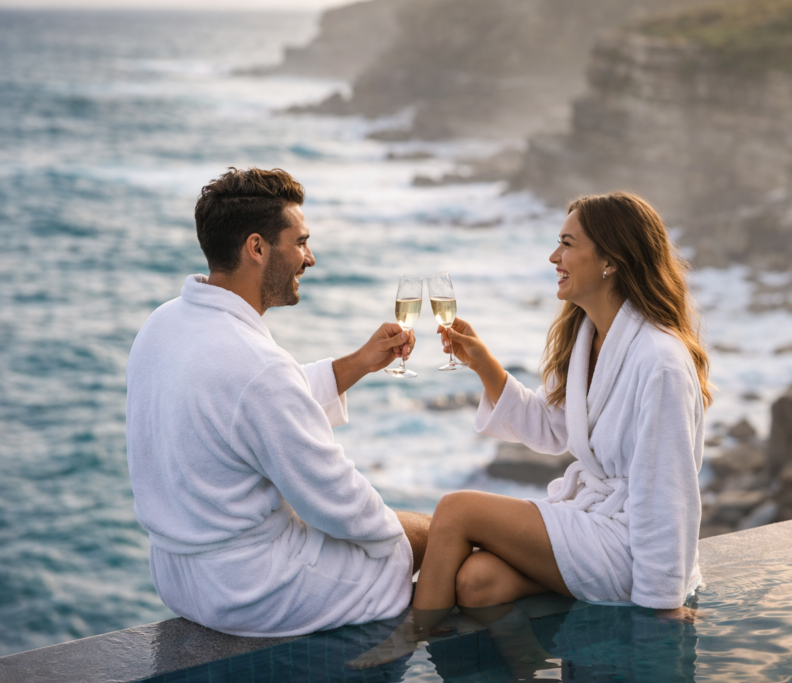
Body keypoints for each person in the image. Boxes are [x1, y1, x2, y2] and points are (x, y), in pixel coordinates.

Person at [349, 191, 710, 669]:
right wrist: (485, 366)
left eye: (566, 244)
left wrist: (660, 607)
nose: (553, 257)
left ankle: (411, 643)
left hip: (631, 548)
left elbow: (669, 493)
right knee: (478, 581)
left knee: (456, 510)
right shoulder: (587, 337)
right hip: (597, 528)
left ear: (611, 261)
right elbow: (552, 429)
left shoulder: (660, 361)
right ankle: (525, 671)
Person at [126, 167, 430, 637]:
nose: (310, 257)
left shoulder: (164, 324)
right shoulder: (257, 365)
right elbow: (333, 499)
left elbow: (246, 407)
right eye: (301, 241)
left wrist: (358, 363)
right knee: (431, 534)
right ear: (257, 247)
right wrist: (397, 540)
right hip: (252, 588)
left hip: (176, 576)